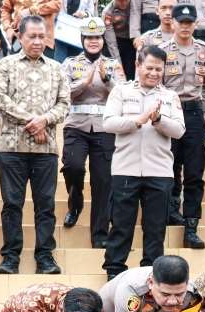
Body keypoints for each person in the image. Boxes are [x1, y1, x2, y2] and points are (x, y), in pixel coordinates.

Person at [0, 16, 70, 275]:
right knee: (12, 204)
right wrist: (32, 121)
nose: (37, 41)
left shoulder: (57, 68)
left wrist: (45, 120)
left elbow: (64, 104)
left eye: (41, 36)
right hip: (11, 148)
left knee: (45, 206)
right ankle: (10, 257)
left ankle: (45, 257)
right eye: (31, 36)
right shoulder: (5, 65)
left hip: (45, 150)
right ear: (20, 37)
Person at [102, 45, 186, 280]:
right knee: (121, 224)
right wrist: (138, 120)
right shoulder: (120, 91)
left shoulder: (170, 96)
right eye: (149, 67)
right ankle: (114, 271)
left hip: (159, 171)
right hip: (125, 169)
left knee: (155, 227)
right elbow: (108, 123)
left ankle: (151, 273)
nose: (154, 73)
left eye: (158, 69)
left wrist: (158, 119)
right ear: (138, 66)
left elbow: (179, 130)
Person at [61, 17, 125, 250]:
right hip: (76, 124)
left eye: (97, 37)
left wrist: (106, 79)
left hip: (104, 127)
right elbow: (63, 91)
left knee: (103, 181)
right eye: (89, 37)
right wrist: (85, 81)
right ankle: (75, 201)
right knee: (73, 166)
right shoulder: (69, 63)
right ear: (82, 40)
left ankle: (99, 233)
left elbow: (122, 92)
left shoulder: (112, 64)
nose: (93, 41)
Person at [161, 3, 205, 248]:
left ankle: (191, 227)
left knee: (194, 171)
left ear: (195, 24)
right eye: (180, 22)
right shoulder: (161, 51)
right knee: (169, 166)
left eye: (189, 23)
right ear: (172, 22)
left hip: (193, 112)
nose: (185, 27)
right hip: (169, 111)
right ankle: (171, 212)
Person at [103, 0, 136, 79]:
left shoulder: (136, 4)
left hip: (132, 40)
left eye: (126, 1)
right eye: (120, 1)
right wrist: (119, 67)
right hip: (115, 40)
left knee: (131, 70)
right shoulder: (108, 12)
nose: (123, 3)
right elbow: (112, 44)